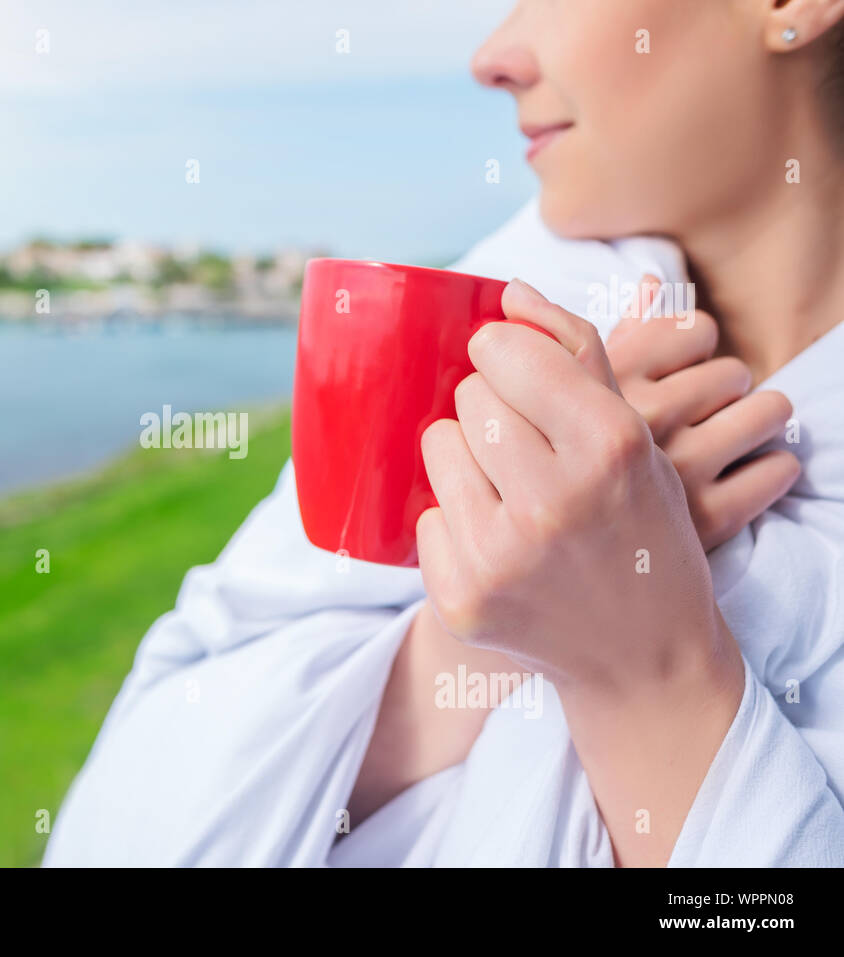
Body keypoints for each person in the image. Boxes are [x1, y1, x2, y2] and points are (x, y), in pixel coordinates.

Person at [44, 0, 844, 866]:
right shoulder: (473, 319)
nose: (491, 56)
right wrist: (503, 610)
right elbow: (118, 825)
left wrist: (643, 666)